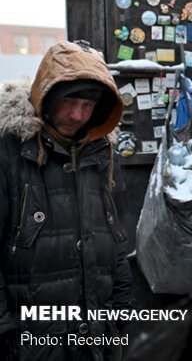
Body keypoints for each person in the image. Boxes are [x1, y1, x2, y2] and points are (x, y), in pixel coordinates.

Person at [0, 40, 133, 360]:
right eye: (70, 101)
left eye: (89, 105)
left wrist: (123, 314)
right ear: (46, 96)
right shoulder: (10, 151)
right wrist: (6, 331)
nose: (78, 114)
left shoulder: (102, 154)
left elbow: (115, 241)